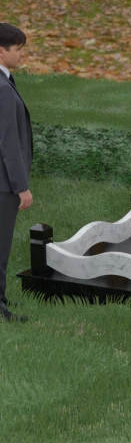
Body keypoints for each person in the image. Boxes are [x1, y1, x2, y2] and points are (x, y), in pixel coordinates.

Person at [0, 22, 32, 322]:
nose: (22, 55)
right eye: (18, 49)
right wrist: (21, 187)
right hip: (3, 184)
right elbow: (9, 142)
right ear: (1, 51)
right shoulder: (3, 89)